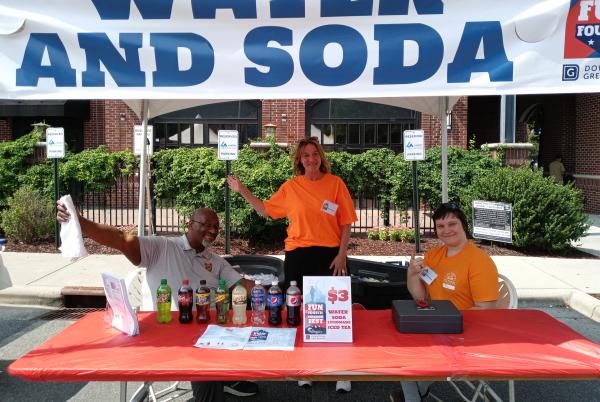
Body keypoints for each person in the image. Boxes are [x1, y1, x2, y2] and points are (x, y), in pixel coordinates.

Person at [57, 203, 258, 402]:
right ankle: (217, 380)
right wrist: (79, 221)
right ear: (190, 224)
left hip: (212, 330)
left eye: (216, 227)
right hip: (171, 331)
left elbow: (242, 285)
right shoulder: (163, 246)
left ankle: (223, 378)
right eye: (206, 225)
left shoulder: (217, 262)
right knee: (205, 364)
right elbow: (120, 239)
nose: (212, 231)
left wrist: (275, 291)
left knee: (245, 332)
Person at [227, 136, 358, 393]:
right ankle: (305, 368)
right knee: (302, 312)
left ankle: (341, 370)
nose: (311, 159)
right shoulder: (291, 187)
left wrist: (342, 254)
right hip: (299, 255)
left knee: (337, 312)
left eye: (314, 153)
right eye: (305, 155)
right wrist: (243, 190)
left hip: (331, 255)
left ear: (321, 156)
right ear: (299, 160)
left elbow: (346, 222)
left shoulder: (335, 184)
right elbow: (266, 210)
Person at [390, 202, 499, 402]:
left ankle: (413, 396)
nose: (447, 230)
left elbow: (487, 311)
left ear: (463, 225)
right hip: (437, 326)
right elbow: (421, 298)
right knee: (400, 345)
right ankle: (416, 394)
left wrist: (447, 322)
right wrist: (412, 275)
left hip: (466, 332)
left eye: (452, 224)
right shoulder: (433, 256)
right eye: (441, 226)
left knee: (409, 354)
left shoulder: (479, 261)